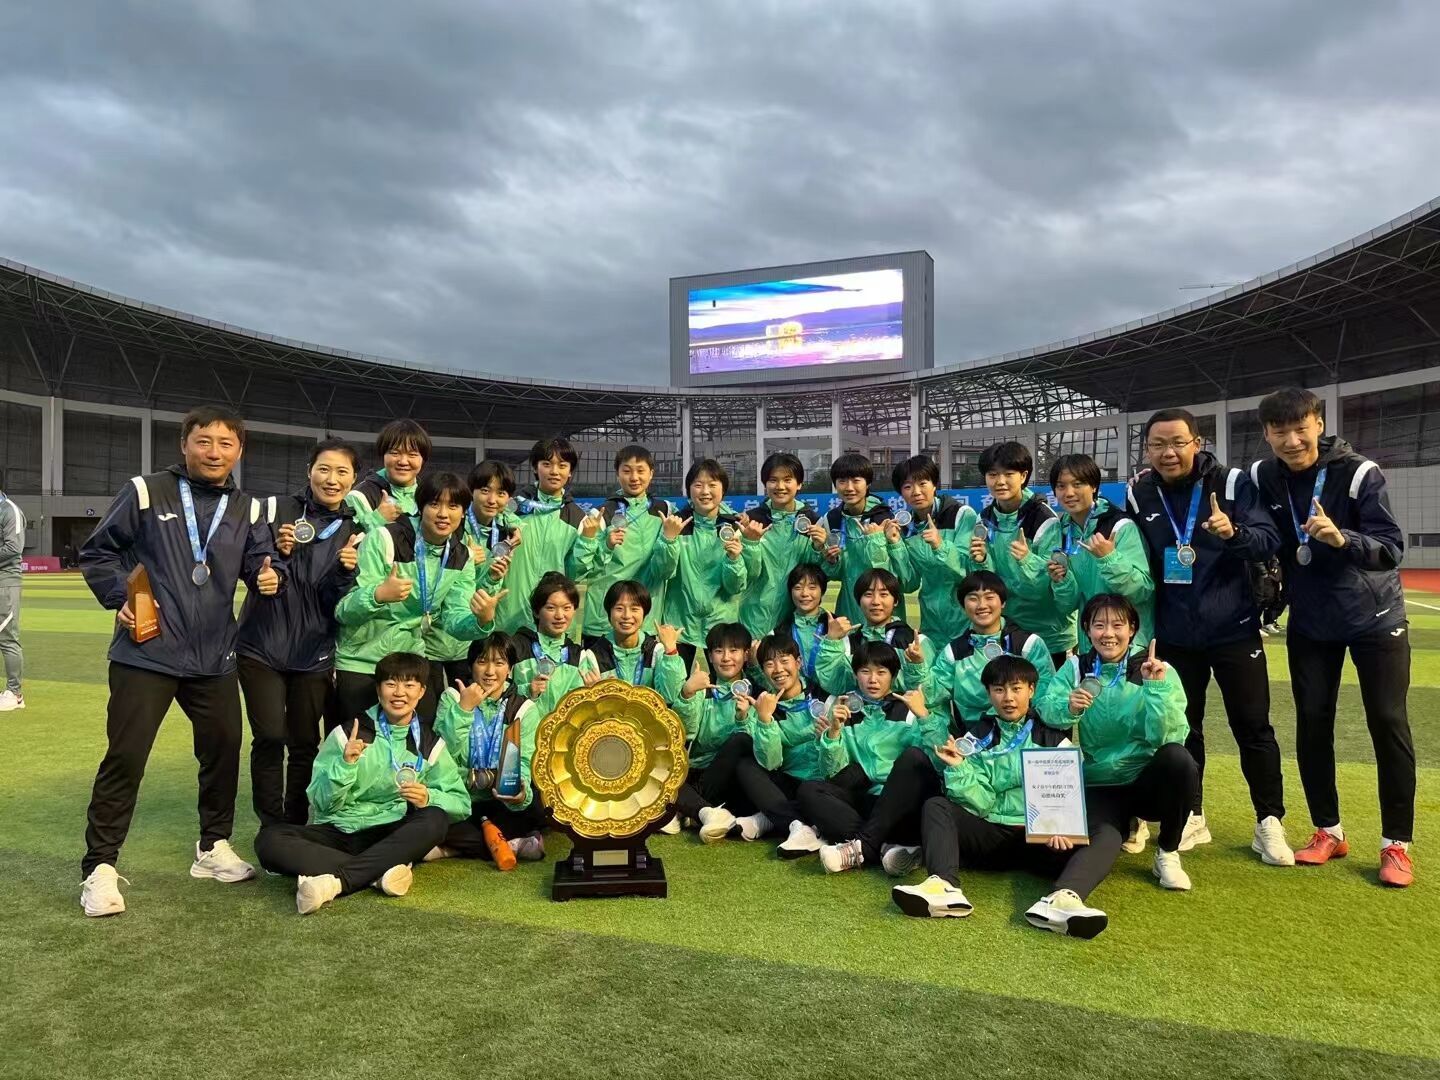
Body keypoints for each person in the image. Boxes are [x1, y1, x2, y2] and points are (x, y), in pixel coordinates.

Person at [77, 405, 285, 917]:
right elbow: (98, 553)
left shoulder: (248, 508)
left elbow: (261, 561)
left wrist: (269, 573)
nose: (214, 452)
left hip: (215, 656)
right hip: (146, 652)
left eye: (225, 443)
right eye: (204, 441)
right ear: (184, 445)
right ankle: (99, 867)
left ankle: (212, 846)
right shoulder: (146, 492)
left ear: (239, 451)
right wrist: (118, 596)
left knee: (222, 751)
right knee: (127, 757)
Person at [1250, 386, 1416, 887]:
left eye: (1300, 429)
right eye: (1280, 432)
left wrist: (1344, 539)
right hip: (1311, 623)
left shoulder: (1359, 473)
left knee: (1387, 722)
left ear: (1319, 424)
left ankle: (1396, 844)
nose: (1292, 441)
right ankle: (1328, 830)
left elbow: (1391, 548)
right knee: (1313, 723)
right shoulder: (1263, 476)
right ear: (1267, 434)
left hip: (1374, 617)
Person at [1128, 408, 1293, 865]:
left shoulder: (1232, 483)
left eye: (1177, 442)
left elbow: (1269, 540)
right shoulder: (1140, 492)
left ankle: (1269, 821)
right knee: (1184, 728)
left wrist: (1233, 532)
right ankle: (1193, 815)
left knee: (1253, 727)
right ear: (1147, 449)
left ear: (1196, 443)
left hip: (1233, 629)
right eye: (1158, 444)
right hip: (1175, 633)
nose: (1168, 452)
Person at [893, 655, 1107, 938]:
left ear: (1031, 690)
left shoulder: (1056, 740)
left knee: (1108, 832)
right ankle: (943, 887)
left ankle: (1064, 899)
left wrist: (1064, 827)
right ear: (988, 693)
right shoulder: (976, 738)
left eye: (1016, 689)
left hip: (1043, 843)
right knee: (936, 806)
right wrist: (959, 768)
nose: (1008, 698)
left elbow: (1069, 796)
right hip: (992, 837)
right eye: (999, 689)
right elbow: (982, 803)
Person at [254, 652, 471, 913]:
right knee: (268, 840)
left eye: (409, 685)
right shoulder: (347, 734)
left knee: (434, 819)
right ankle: (379, 874)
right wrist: (345, 766)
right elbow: (321, 802)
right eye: (390, 684)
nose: (399, 693)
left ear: (422, 691)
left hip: (390, 831)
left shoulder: (429, 743)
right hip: (339, 830)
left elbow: (462, 803)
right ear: (378, 689)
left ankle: (339, 881)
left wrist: (428, 798)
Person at [236, 438, 362, 828]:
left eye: (342, 472)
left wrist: (345, 572)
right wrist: (275, 556)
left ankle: (294, 821)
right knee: (270, 736)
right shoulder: (275, 509)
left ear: (353, 479)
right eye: (324, 469)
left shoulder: (356, 529)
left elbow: (337, 601)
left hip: (315, 651)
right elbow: (250, 564)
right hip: (261, 645)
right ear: (309, 471)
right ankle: (271, 823)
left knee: (305, 742)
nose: (332, 479)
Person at [1040, 593, 1198, 892]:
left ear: (1132, 629)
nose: (1108, 633)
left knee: (1178, 759)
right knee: (1096, 842)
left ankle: (1167, 852)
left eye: (1117, 625)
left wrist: (1155, 689)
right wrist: (1068, 706)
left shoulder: (1155, 669)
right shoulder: (1076, 667)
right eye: (1099, 625)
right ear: (1087, 630)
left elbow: (1169, 738)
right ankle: (1125, 827)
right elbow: (1047, 709)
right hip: (1099, 782)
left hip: (1144, 781)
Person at [333, 472, 502, 725]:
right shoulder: (384, 538)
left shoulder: (461, 556)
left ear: (463, 512)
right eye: (434, 504)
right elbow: (344, 611)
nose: (443, 514)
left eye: (453, 506)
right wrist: (378, 595)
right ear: (420, 507)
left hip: (409, 660)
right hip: (363, 660)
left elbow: (453, 619)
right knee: (358, 741)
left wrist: (481, 620)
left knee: (421, 739)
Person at [799, 640, 946, 874]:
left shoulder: (909, 709)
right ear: (855, 675)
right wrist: (833, 733)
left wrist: (924, 716)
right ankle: (885, 847)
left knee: (913, 758)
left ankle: (863, 848)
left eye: (881, 672)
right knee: (809, 790)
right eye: (865, 671)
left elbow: (938, 761)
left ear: (893, 676)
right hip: (869, 802)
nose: (873, 679)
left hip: (902, 803)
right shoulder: (845, 710)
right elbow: (834, 774)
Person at [430, 633, 546, 868]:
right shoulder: (452, 698)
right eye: (482, 662)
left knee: (537, 807)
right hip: (460, 797)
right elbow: (442, 756)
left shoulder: (523, 708)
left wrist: (519, 793)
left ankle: (452, 849)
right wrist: (463, 710)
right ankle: (508, 844)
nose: (490, 671)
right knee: (433, 819)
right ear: (471, 665)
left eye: (499, 663)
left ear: (510, 669)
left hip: (500, 801)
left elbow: (524, 762)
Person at [490, 437, 607, 634]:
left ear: (570, 472)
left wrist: (587, 539)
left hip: (554, 623)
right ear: (535, 468)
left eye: (562, 465)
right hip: (509, 618)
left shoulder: (578, 519)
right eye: (547, 464)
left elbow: (576, 575)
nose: (554, 471)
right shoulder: (511, 510)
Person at [976, 441, 1074, 668]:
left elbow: (1047, 585)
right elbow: (987, 579)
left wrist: (1027, 559)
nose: (1000, 481)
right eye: (992, 475)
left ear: (1023, 476)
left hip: (1048, 634)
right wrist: (982, 560)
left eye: (1008, 474)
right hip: (1008, 630)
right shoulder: (985, 519)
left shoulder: (1044, 519)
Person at [1046, 453, 1154, 651]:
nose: (1069, 493)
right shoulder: (1062, 531)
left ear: (1094, 486)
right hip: (1091, 643)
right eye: (1061, 486)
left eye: (1078, 484)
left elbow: (1142, 590)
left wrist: (1110, 559)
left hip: (1128, 644)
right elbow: (1068, 606)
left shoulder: (1120, 527)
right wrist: (1062, 581)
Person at [735, 633, 829, 853]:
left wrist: (828, 737)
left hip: (822, 783)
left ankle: (768, 818)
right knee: (746, 766)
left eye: (784, 661)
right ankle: (797, 825)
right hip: (788, 781)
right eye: (769, 664)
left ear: (798, 662)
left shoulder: (824, 695)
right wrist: (765, 719)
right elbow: (771, 762)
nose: (778, 669)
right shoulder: (764, 704)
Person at [670, 622, 764, 841]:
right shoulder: (703, 689)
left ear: (746, 655)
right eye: (719, 651)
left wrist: (743, 718)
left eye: (734, 650)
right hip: (703, 775)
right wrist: (687, 694)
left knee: (741, 741)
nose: (726, 658)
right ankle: (707, 813)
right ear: (710, 657)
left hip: (738, 778)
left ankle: (690, 810)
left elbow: (761, 746)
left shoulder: (758, 692)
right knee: (665, 778)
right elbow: (686, 733)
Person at [927, 571, 1055, 729]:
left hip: (1024, 734)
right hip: (973, 737)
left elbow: (1046, 699)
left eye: (989, 597)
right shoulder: (954, 652)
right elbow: (932, 696)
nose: (982, 605)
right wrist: (916, 666)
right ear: (962, 606)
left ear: (1003, 602)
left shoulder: (1028, 645)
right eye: (973, 598)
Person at [582, 445, 679, 638]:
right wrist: (606, 546)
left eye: (640, 471)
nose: (634, 477)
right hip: (604, 619)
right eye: (627, 471)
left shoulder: (664, 511)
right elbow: (585, 569)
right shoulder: (601, 514)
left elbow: (667, 569)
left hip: (646, 618)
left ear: (651, 474)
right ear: (617, 474)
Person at [665, 459, 748, 674]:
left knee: (726, 685)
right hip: (679, 622)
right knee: (674, 684)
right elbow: (663, 571)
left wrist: (734, 560)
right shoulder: (676, 524)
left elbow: (735, 587)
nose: (705, 491)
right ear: (689, 489)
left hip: (721, 622)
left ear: (723, 489)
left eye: (712, 485)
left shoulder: (734, 526)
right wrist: (668, 541)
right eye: (698, 485)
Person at [737, 451, 826, 641]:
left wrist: (819, 548)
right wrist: (750, 542)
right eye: (773, 480)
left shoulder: (813, 522)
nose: (780, 486)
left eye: (787, 480)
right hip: (754, 619)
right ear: (765, 484)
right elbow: (745, 574)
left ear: (799, 483)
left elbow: (816, 573)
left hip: (794, 622)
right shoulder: (752, 521)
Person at [886, 454, 975, 645]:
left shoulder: (961, 514)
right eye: (907, 486)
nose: (916, 492)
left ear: (934, 485)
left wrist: (940, 545)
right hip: (931, 620)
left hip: (967, 617)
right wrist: (896, 545)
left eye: (922, 483)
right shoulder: (906, 527)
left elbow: (968, 570)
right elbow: (909, 583)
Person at [814, 568, 928, 696]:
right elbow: (833, 684)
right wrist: (831, 641)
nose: (875, 602)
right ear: (858, 601)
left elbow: (928, 694)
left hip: (902, 709)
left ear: (896, 601)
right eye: (868, 595)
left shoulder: (914, 641)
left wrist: (917, 665)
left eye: (883, 594)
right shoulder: (848, 643)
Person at [580, 579, 687, 699]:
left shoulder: (656, 651)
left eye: (634, 609)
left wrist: (671, 652)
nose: (626, 615)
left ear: (644, 614)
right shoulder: (593, 655)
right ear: (609, 613)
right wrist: (597, 694)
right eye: (619, 608)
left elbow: (669, 696)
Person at [821, 453, 894, 625]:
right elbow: (834, 574)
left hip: (882, 611)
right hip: (848, 610)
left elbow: (896, 574)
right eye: (842, 481)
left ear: (868, 483)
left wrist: (876, 541)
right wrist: (831, 561)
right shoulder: (831, 519)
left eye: (856, 480)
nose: (849, 487)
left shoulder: (885, 518)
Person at [511, 572, 591, 720]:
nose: (560, 616)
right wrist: (527, 690)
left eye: (567, 608)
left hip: (563, 733)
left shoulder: (578, 655)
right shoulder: (516, 647)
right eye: (551, 608)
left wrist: (594, 692)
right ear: (536, 612)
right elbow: (499, 693)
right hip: (524, 731)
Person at [345, 419, 430, 531]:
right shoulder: (359, 497)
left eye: (412, 454)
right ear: (383, 455)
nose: (403, 461)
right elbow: (347, 538)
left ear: (423, 459)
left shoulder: (429, 495)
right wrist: (377, 519)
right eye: (395, 453)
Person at [771, 564, 832, 698]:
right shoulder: (780, 630)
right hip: (795, 696)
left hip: (832, 696)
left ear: (822, 591)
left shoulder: (834, 625)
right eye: (798, 587)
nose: (804, 593)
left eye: (812, 587)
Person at [461, 458, 520, 566]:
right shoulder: (455, 526)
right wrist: (465, 561)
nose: (492, 500)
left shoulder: (507, 529)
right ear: (471, 491)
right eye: (485, 491)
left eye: (501, 493)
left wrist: (517, 527)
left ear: (509, 498)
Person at [0, 485, 25, 712]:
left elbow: (13, 548)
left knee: (7, 637)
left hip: (5, 582)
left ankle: (15, 693)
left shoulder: (9, 511)